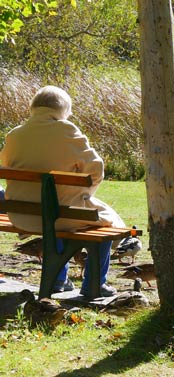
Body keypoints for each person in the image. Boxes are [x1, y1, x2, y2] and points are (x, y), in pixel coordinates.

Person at [0, 85, 125, 297]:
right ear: (63, 110)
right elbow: (96, 169)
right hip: (60, 216)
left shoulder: (15, 135)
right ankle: (95, 285)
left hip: (21, 215)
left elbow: (5, 165)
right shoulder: (67, 131)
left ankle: (59, 281)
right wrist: (85, 193)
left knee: (54, 211)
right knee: (104, 221)